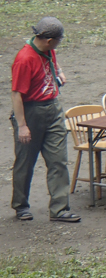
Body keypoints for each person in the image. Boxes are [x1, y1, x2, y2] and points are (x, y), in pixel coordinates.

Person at [10, 16, 80, 222]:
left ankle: (59, 209)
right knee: (25, 161)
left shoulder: (49, 50)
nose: (59, 43)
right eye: (59, 40)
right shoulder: (24, 59)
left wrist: (59, 72)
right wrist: (22, 126)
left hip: (53, 108)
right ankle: (20, 205)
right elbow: (16, 95)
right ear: (49, 40)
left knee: (58, 160)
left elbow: (53, 62)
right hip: (31, 112)